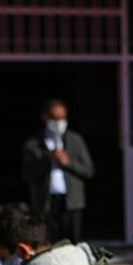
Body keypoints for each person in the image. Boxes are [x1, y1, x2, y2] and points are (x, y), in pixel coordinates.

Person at [22, 98, 95, 244]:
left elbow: (88, 170)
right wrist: (48, 159)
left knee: (72, 244)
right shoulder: (34, 143)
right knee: (48, 243)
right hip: (45, 202)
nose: (58, 123)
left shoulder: (75, 140)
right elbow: (28, 173)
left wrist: (68, 163)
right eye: (54, 118)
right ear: (44, 117)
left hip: (71, 202)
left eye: (62, 118)